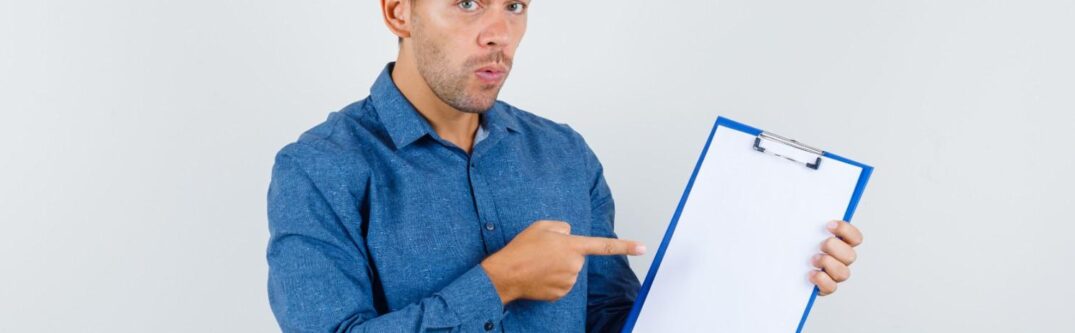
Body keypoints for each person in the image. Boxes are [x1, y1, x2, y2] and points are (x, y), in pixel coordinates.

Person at [266, 1, 865, 332]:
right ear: (399, 12)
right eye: (468, 3)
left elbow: (610, 323)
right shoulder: (319, 168)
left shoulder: (564, 153)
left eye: (516, 5)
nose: (499, 33)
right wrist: (499, 284)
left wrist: (769, 281)